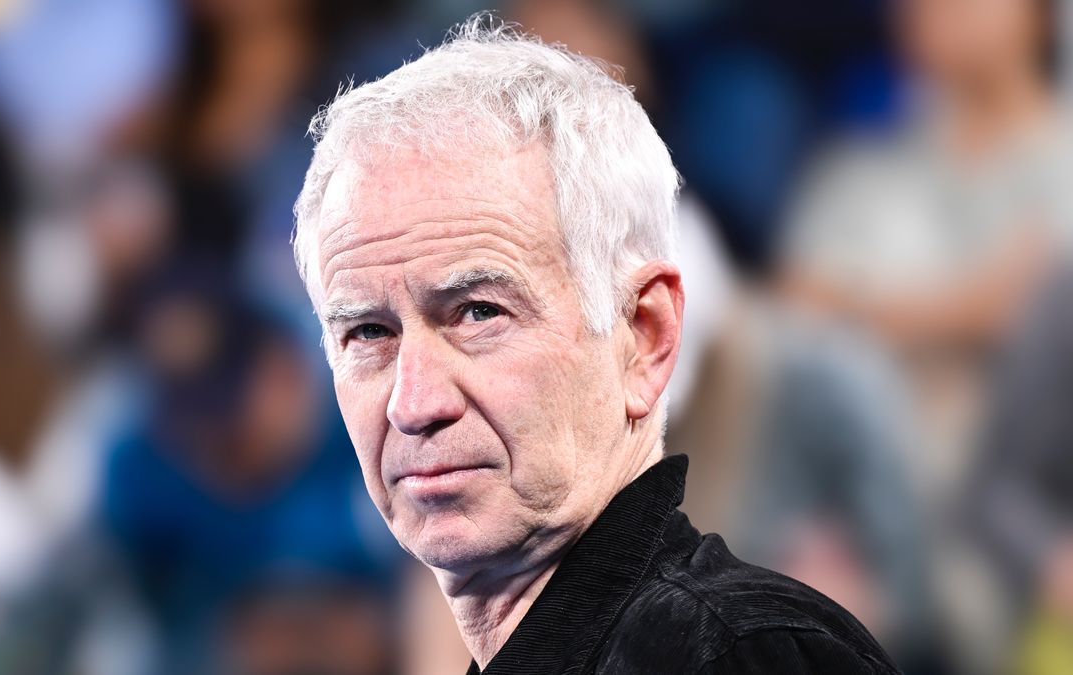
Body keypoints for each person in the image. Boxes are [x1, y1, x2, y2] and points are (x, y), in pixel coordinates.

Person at [289, 16, 899, 674]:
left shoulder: (737, 654)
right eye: (368, 331)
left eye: (476, 312)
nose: (414, 403)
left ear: (645, 336)